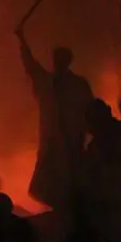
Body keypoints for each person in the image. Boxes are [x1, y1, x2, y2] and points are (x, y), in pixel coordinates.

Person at [15, 27, 94, 212]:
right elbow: (30, 65)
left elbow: (89, 109)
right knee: (50, 182)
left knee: (70, 180)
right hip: (52, 141)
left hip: (72, 140)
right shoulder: (47, 82)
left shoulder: (77, 84)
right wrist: (22, 41)